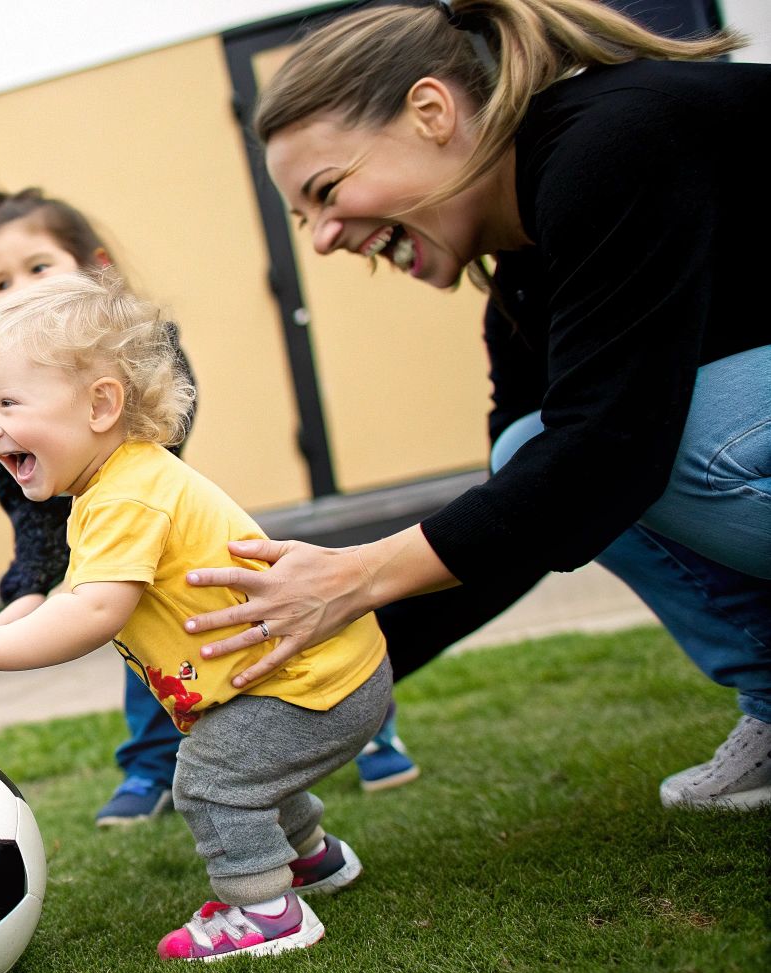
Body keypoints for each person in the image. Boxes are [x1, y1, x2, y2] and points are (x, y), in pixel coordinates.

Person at [184, 0, 770, 810]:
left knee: (632, 451)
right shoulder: (527, 277)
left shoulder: (617, 142)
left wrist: (355, 574)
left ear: (431, 112)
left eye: (327, 191)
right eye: (303, 218)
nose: (321, 238)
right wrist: (301, 677)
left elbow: (610, 451)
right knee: (533, 454)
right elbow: (521, 519)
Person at [0, 272, 393, 961]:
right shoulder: (122, 481)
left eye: (8, 402)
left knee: (212, 779)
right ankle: (313, 859)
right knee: (245, 763)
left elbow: (94, 611)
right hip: (315, 677)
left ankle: (267, 909)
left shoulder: (125, 497)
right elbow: (71, 592)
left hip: (307, 687)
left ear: (101, 404)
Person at [0, 188, 417, 825]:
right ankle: (303, 849)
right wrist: (14, 609)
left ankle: (247, 851)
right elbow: (35, 534)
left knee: (198, 740)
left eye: (38, 267)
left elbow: (94, 604)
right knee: (169, 663)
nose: (20, 290)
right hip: (252, 663)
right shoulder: (32, 433)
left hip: (295, 672)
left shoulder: (127, 466)